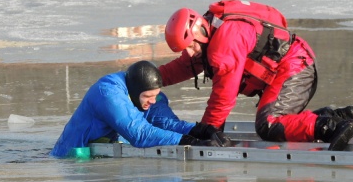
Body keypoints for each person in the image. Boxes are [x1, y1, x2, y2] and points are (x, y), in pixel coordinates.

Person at [158, 0, 353, 151]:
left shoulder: (224, 43)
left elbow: (224, 96)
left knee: (268, 125)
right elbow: (182, 67)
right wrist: (144, 79)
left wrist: (209, 130)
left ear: (200, 31)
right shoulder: (209, 34)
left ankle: (331, 126)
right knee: (271, 123)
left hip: (295, 68)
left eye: (191, 46)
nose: (191, 52)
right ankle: (328, 115)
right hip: (291, 65)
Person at [50, 60, 230, 158]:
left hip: (105, 150)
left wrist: (202, 130)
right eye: (147, 97)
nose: (152, 101)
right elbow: (139, 134)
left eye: (155, 96)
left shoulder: (146, 95)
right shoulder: (108, 94)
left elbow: (164, 122)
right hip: (75, 157)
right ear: (134, 92)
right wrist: (190, 142)